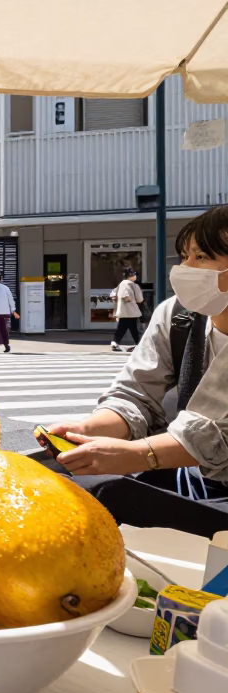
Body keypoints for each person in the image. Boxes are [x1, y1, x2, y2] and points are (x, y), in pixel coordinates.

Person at [46, 206, 228, 535]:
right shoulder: (178, 315)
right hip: (193, 479)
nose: (185, 268)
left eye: (201, 256)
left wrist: (137, 455)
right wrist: (88, 429)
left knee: (110, 495)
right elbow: (136, 394)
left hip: (207, 483)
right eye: (184, 256)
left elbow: (218, 433)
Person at [111, 267, 144, 351]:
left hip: (122, 310)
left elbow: (113, 294)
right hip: (132, 310)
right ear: (131, 275)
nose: (136, 276)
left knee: (122, 327)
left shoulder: (120, 284)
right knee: (134, 328)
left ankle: (115, 342)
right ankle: (139, 344)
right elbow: (140, 299)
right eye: (135, 275)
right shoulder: (134, 285)